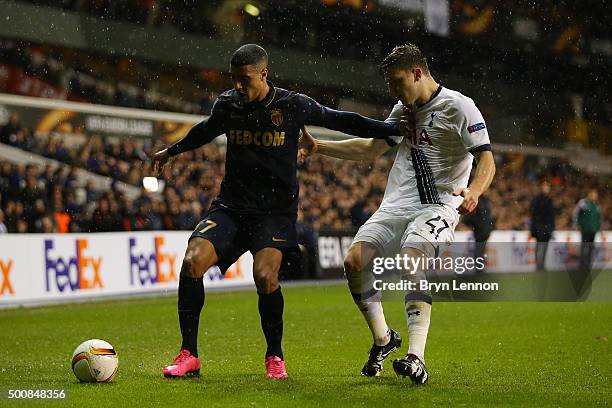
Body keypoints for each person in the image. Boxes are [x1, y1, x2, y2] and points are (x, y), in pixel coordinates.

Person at [151, 44, 405, 379]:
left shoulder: (292, 105)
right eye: (235, 79)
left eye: (246, 79)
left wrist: (391, 129)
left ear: (264, 74)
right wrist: (173, 151)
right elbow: (206, 129)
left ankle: (275, 356)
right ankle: (189, 354)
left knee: (265, 276)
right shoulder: (228, 104)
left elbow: (340, 119)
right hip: (231, 207)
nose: (239, 86)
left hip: (274, 213)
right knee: (191, 261)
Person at [299, 43, 495, 384]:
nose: (393, 90)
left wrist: (474, 192)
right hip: (395, 205)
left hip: (438, 206)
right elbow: (371, 148)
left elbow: (487, 160)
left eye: (397, 81)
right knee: (354, 262)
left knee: (410, 259)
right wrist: (320, 147)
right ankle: (384, 338)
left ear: (418, 73)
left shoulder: (460, 107)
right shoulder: (402, 110)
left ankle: (416, 357)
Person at [463, 195, 495, 273]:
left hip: (481, 232)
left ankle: (479, 270)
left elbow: (479, 220)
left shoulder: (480, 204)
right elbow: (488, 218)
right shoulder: (485, 203)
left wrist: (469, 221)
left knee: (479, 252)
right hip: (484, 231)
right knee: (480, 251)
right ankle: (480, 269)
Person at [530, 181, 556, 271]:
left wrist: (551, 227)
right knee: (539, 247)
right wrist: (537, 226)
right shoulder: (537, 200)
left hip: (547, 228)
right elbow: (534, 214)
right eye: (544, 186)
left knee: (544, 248)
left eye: (547, 187)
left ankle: (542, 265)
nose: (545, 188)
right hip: (539, 228)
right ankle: (538, 266)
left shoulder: (549, 200)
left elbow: (552, 216)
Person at [573, 189, 601, 274]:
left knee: (591, 248)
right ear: (589, 194)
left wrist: (598, 227)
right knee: (584, 248)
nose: (594, 196)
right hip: (585, 229)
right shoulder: (583, 203)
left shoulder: (597, 205)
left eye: (595, 195)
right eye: (593, 194)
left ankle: (588, 266)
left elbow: (598, 218)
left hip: (593, 230)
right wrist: (576, 224)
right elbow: (575, 213)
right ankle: (582, 266)